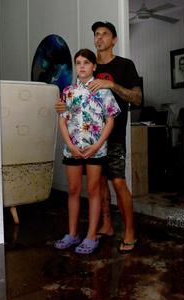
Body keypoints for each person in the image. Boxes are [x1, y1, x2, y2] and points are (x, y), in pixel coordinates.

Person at [56, 21, 142, 252]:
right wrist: (63, 108)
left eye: (105, 34)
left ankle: (130, 232)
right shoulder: (82, 74)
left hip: (112, 135)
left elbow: (137, 98)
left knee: (117, 181)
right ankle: (106, 225)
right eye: (96, 34)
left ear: (114, 40)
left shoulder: (125, 65)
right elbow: (72, 106)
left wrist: (111, 84)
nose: (99, 38)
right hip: (86, 139)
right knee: (98, 184)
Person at [54, 48, 120, 254]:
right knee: (73, 191)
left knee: (93, 192)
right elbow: (62, 121)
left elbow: (110, 120)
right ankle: (72, 234)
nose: (81, 66)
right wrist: (71, 146)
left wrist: (97, 145)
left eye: (86, 62)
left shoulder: (103, 91)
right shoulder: (68, 92)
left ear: (94, 66)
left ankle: (91, 236)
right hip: (72, 149)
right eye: (78, 63)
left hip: (95, 150)